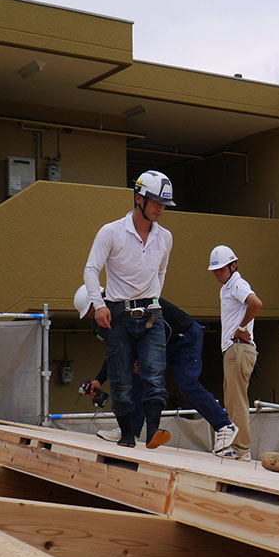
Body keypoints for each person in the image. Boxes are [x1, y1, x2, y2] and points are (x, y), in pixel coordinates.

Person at [73, 286, 238, 456]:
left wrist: (142, 358)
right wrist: (99, 380)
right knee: (137, 378)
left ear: (101, 301)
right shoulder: (111, 317)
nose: (94, 318)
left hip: (183, 337)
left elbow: (163, 329)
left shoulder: (133, 303)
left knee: (187, 384)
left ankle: (224, 425)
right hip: (163, 342)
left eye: (92, 312)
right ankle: (130, 430)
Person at [82, 170, 174, 450]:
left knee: (154, 374)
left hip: (151, 314)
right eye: (156, 202)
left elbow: (162, 270)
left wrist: (154, 299)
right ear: (138, 198)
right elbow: (90, 269)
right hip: (118, 315)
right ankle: (126, 437)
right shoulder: (111, 232)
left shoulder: (165, 238)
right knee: (121, 380)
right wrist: (98, 305)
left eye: (164, 204)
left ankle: (154, 434)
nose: (160, 209)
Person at [208, 245, 262, 461]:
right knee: (233, 399)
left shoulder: (237, 283)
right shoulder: (228, 286)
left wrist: (241, 328)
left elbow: (256, 303)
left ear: (233, 265)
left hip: (238, 347)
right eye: (215, 270)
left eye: (221, 269)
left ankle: (240, 450)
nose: (217, 273)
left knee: (236, 400)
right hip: (235, 348)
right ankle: (239, 448)